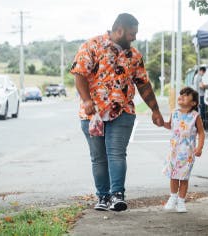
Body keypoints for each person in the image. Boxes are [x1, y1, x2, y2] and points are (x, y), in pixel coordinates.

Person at [70, 13, 167, 212]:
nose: (135, 37)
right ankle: (103, 196)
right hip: (92, 114)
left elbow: (144, 84)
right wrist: (87, 100)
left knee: (116, 154)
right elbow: (79, 74)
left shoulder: (134, 56)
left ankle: (117, 195)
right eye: (132, 33)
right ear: (119, 30)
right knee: (98, 157)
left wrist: (155, 111)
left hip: (123, 111)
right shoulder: (92, 46)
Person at [163, 87, 205, 213]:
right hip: (174, 152)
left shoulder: (195, 116)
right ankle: (173, 197)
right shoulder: (174, 113)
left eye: (186, 95)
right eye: (181, 94)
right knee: (173, 176)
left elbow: (201, 133)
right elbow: (169, 125)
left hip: (188, 153)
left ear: (193, 103)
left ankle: (181, 201)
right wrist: (160, 122)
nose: (181, 96)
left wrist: (199, 147)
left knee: (184, 178)